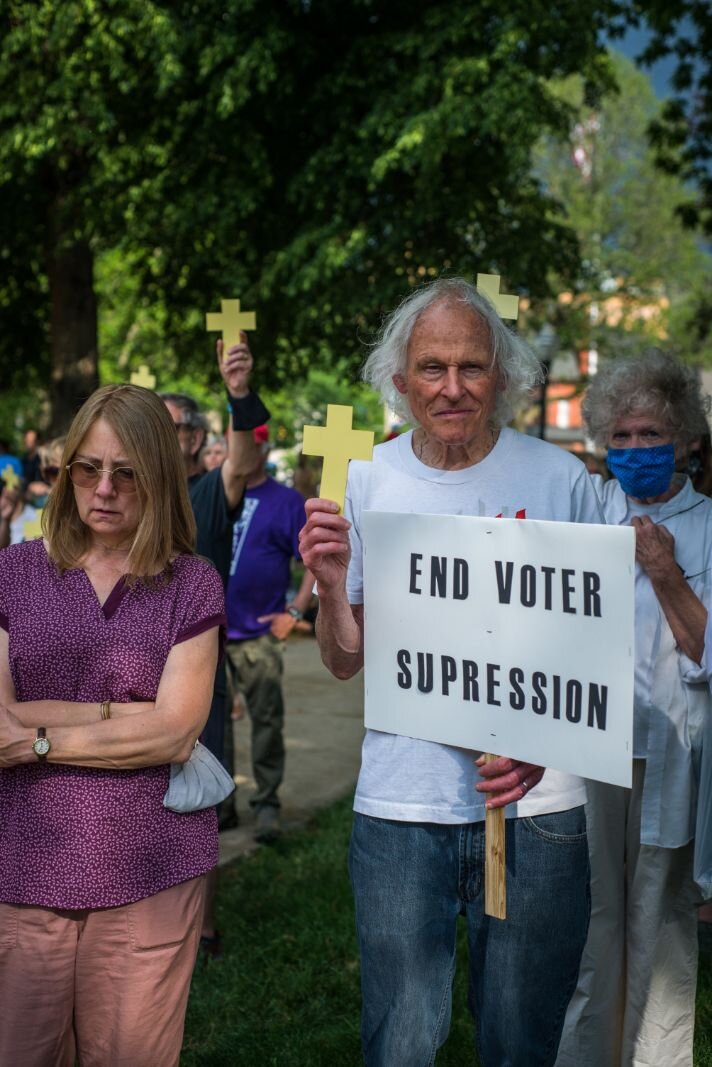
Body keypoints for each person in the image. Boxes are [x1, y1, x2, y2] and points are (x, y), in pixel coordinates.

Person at [299, 277, 603, 1067]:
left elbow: (590, 650)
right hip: (403, 809)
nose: (453, 386)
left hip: (539, 811)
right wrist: (332, 587)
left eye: (472, 366)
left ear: (503, 374)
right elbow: (341, 660)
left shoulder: (559, 480)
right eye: (432, 368)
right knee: (400, 1039)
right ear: (399, 381)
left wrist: (542, 744)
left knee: (521, 1040)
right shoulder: (365, 479)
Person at [0, 383, 225, 1066]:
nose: (103, 488)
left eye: (125, 471)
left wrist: (38, 738)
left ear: (157, 474)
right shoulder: (11, 573)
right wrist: (123, 710)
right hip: (23, 864)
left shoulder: (190, 583)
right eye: (86, 468)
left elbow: (175, 733)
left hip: (149, 870)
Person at [556, 351, 712, 1067]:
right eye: (618, 436)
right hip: (590, 745)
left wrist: (665, 572)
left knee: (662, 924)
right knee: (593, 918)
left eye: (650, 434)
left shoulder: (707, 525)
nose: (633, 450)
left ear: (685, 438)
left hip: (671, 753)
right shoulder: (589, 510)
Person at [161, 333, 264, 957]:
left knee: (197, 800)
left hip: (198, 667)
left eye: (168, 426)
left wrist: (240, 394)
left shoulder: (209, 490)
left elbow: (246, 458)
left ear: (195, 439)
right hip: (133, 669)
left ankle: (200, 928)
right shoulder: (128, 495)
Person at [223, 424, 315, 842]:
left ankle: (266, 805)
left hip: (259, 634)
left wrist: (294, 611)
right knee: (209, 725)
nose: (241, 451)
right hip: (210, 633)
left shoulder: (285, 502)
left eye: (250, 444)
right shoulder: (218, 490)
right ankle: (217, 805)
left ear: (262, 450)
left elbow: (313, 562)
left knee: (265, 721)